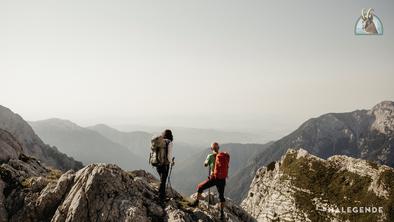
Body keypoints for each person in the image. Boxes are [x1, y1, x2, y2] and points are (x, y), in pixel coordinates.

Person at [190, 142, 229, 220]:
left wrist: (207, 162)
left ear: (211, 149)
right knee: (221, 196)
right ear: (218, 148)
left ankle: (196, 202)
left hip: (213, 178)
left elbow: (205, 164)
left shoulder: (210, 156)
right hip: (222, 179)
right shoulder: (224, 156)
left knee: (200, 187)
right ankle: (221, 214)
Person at [156, 129, 174, 202]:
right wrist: (171, 162)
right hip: (164, 165)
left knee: (162, 180)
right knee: (163, 181)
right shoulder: (169, 143)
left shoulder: (160, 141)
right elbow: (169, 156)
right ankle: (161, 197)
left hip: (157, 163)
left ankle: (161, 195)